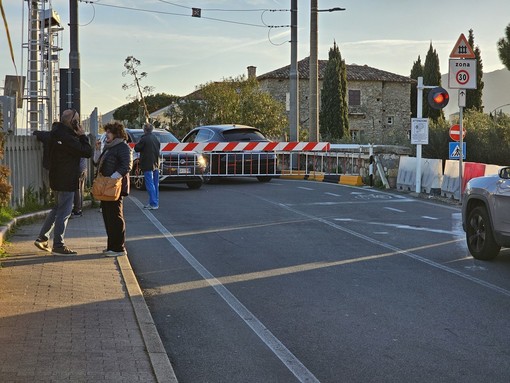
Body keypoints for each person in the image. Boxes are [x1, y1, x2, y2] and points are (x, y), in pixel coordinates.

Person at [34, 109, 93, 256]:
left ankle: (42, 237)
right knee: (64, 212)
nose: (78, 124)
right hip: (67, 179)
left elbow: (43, 135)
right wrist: (83, 136)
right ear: (72, 122)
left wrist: (36, 133)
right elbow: (87, 152)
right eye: (77, 121)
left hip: (56, 177)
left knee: (57, 208)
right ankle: (58, 245)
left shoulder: (55, 133)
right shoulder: (68, 138)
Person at [94, 121, 132, 257]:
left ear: (116, 133)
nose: (106, 134)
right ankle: (111, 246)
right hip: (106, 187)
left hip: (115, 187)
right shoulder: (109, 147)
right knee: (108, 216)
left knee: (115, 216)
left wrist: (113, 179)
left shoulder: (122, 147)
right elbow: (96, 163)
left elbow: (126, 165)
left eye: (109, 132)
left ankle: (119, 248)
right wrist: (97, 150)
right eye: (106, 132)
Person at [134, 122, 160, 210]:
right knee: (155, 184)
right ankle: (154, 201)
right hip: (156, 163)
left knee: (149, 184)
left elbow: (137, 148)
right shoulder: (155, 138)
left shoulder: (144, 138)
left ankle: (153, 203)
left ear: (144, 130)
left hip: (147, 164)